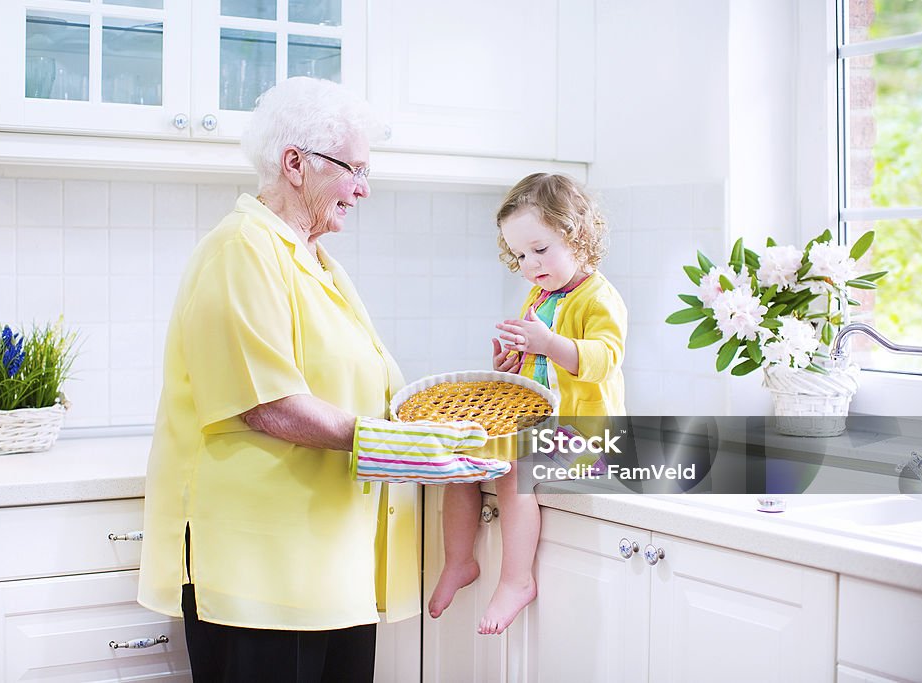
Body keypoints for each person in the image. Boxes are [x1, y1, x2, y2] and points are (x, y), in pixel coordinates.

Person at [136, 77, 506, 683]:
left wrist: (473, 401)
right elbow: (269, 406)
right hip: (260, 573)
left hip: (332, 566)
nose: (364, 189)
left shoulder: (315, 261)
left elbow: (372, 392)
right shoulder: (240, 249)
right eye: (354, 170)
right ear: (295, 164)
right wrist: (404, 447)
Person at [428, 173, 628, 635]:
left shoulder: (600, 297)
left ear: (576, 234)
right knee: (464, 452)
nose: (530, 263)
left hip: (587, 437)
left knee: (513, 467)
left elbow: (603, 360)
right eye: (519, 254)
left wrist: (548, 341)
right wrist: (509, 363)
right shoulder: (538, 295)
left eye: (540, 249)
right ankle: (459, 561)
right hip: (541, 429)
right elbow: (532, 371)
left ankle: (517, 580)